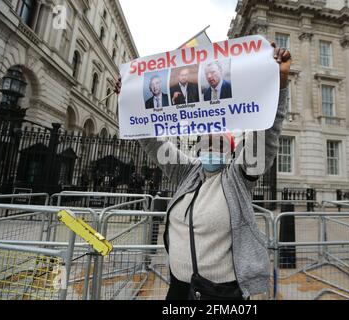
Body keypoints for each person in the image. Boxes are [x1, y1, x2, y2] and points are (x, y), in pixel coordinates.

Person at [115, 43, 291, 300]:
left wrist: (280, 83)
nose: (211, 145)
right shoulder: (186, 172)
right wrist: (129, 102)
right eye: (206, 141)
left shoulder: (238, 177)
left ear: (230, 150)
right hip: (178, 288)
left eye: (218, 141)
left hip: (221, 293)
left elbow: (268, 134)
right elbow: (151, 142)